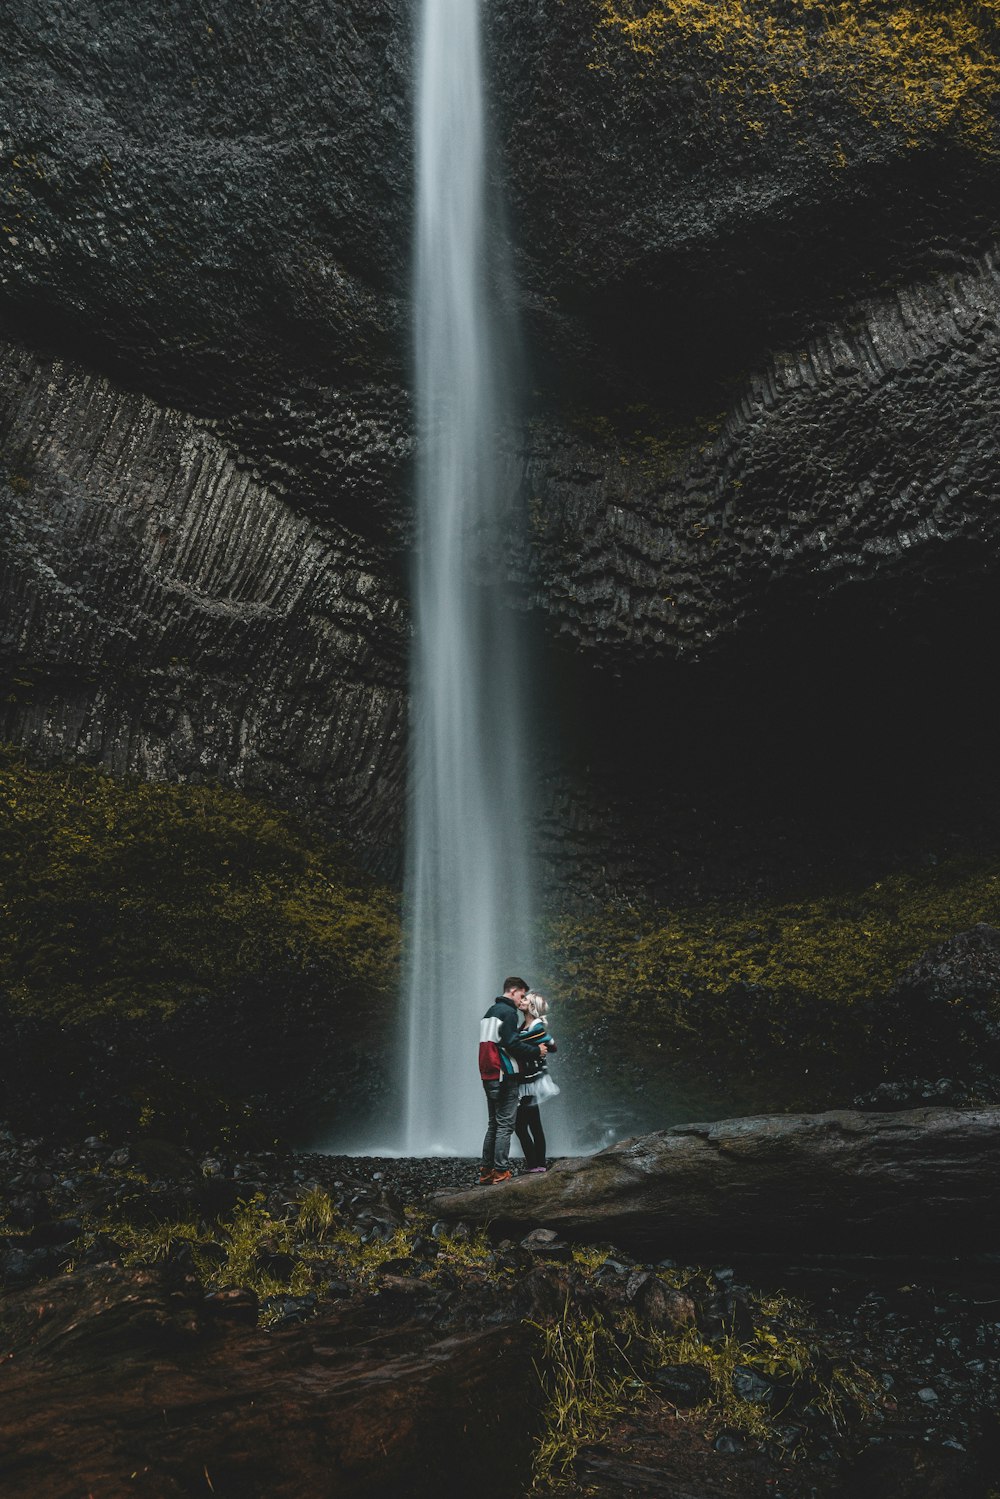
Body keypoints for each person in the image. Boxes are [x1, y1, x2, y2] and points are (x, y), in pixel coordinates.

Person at [479, 976, 547, 1185]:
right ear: (513, 990)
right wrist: (537, 1050)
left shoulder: (490, 1012)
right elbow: (512, 1044)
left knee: (493, 1124)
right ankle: (501, 1171)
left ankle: (486, 1171)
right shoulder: (508, 1013)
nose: (522, 1000)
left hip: (488, 1074)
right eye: (522, 995)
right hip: (504, 1074)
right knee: (505, 1126)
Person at [514, 992, 558, 1173]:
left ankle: (536, 1164)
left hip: (532, 1081)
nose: (521, 1001)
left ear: (532, 1006)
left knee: (522, 1126)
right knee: (532, 1124)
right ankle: (538, 1163)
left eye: (525, 1000)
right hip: (527, 1079)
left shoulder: (536, 1025)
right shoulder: (524, 1024)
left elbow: (518, 1043)